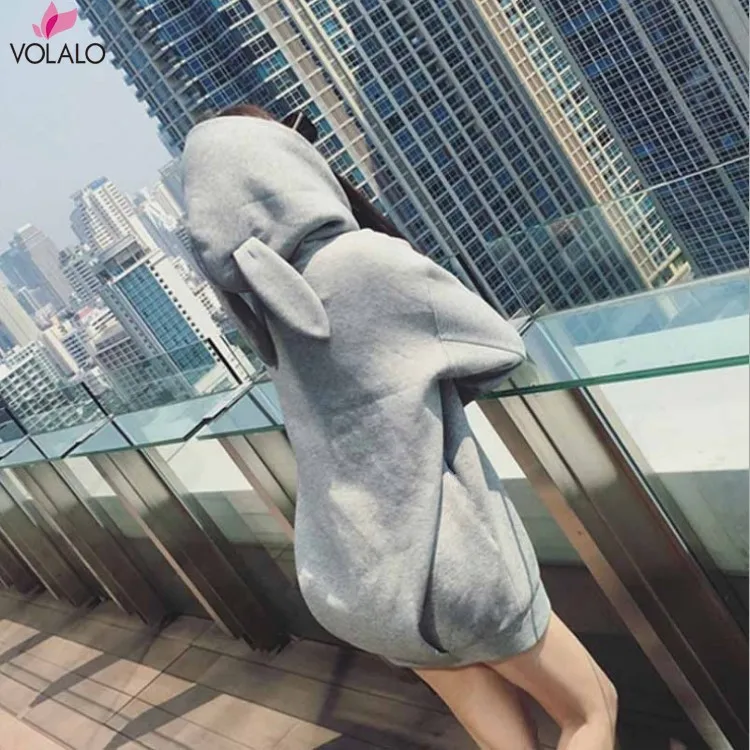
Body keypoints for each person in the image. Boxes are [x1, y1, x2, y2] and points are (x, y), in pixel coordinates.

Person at [181, 104, 618, 750]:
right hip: (450, 568)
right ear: (283, 164)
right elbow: (499, 347)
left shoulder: (269, 307)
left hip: (361, 583)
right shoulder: (364, 261)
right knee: (592, 711)